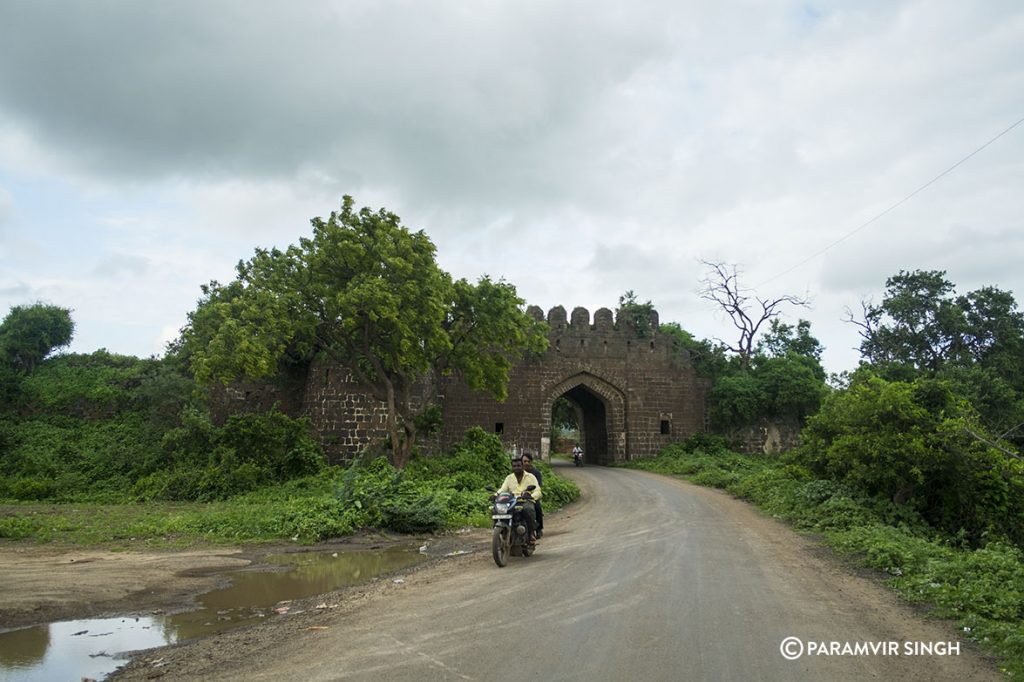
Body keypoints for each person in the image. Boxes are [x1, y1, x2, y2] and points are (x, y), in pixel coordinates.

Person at [498, 456, 541, 544]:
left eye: (518, 466)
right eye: (514, 466)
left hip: (525, 501)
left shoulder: (531, 477)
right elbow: (502, 490)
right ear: (512, 467)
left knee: (528, 509)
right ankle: (502, 531)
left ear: (522, 466)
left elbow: (538, 491)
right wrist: (495, 495)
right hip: (512, 501)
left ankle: (531, 533)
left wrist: (531, 495)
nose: (516, 468)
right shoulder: (509, 478)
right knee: (497, 510)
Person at [521, 451, 544, 539]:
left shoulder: (536, 473)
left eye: (528, 461)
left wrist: (531, 495)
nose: (526, 463)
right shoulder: (519, 472)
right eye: (524, 461)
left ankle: (539, 528)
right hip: (520, 497)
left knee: (537, 507)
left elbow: (538, 486)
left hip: (532, 496)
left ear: (531, 462)